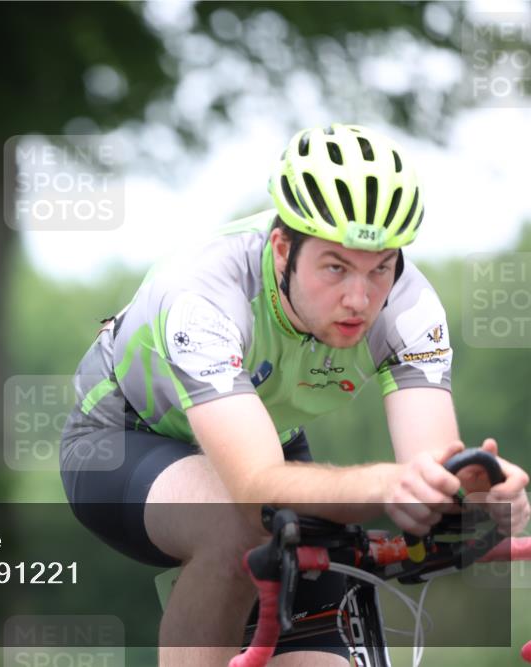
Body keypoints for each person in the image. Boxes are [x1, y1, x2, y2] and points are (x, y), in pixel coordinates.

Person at [59, 123, 531, 666]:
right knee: (238, 523)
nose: (361, 297)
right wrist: (387, 484)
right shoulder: (203, 294)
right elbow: (256, 486)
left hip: (267, 447)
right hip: (122, 442)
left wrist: (471, 493)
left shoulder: (411, 308)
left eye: (380, 268)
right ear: (283, 248)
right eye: (336, 267)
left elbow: (430, 465)